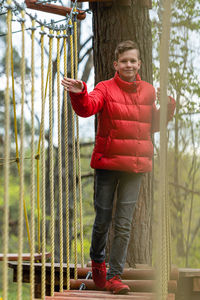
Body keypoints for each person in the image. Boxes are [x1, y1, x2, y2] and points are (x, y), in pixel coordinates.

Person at [61, 40, 175, 295]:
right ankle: (98, 263)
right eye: (124, 61)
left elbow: (153, 125)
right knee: (102, 219)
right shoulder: (105, 88)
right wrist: (80, 92)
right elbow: (87, 108)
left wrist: (168, 107)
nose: (129, 65)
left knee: (123, 223)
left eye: (133, 61)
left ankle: (114, 276)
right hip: (107, 164)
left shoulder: (148, 91)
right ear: (116, 64)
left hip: (135, 167)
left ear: (139, 64)